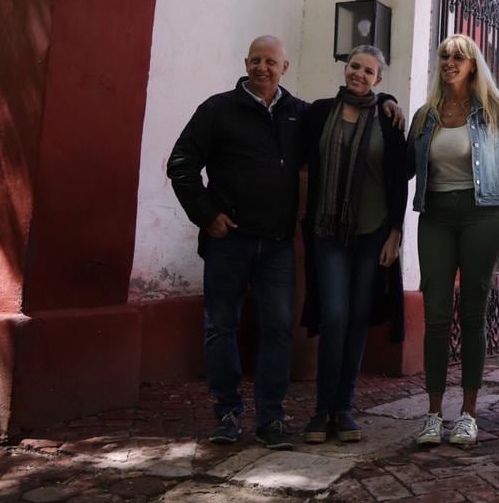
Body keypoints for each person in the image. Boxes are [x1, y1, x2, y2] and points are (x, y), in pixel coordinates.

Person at [167, 35, 309, 451]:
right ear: (246, 63)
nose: (262, 68)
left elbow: (344, 113)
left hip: (279, 244)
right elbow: (182, 163)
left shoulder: (298, 114)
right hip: (229, 241)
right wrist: (207, 213)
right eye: (256, 60)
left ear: (285, 67)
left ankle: (271, 417)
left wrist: (387, 99)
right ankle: (227, 413)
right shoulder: (217, 109)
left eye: (271, 61)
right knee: (220, 328)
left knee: (279, 329)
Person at [407, 34, 499, 447]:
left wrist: (497, 189)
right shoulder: (425, 117)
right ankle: (433, 415)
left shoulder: (495, 113)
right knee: (436, 314)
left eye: (459, 57)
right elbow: (403, 166)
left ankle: (468, 414)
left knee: (474, 313)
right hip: (435, 216)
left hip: (482, 217)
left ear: (473, 65)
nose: (450, 62)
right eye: (444, 56)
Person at [298, 45, 409, 445]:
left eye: (369, 70)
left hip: (373, 232)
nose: (359, 74)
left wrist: (396, 234)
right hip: (327, 232)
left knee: (358, 319)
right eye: (354, 66)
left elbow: (400, 179)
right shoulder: (319, 112)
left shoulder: (388, 118)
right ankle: (321, 409)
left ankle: (343, 409)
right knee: (334, 316)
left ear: (379, 79)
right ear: (346, 69)